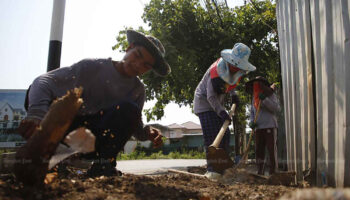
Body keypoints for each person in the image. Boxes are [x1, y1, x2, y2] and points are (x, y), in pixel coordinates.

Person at [17, 30, 171, 177]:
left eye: (146, 65)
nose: (138, 65)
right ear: (129, 47)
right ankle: (49, 153)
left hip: (94, 140)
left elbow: (133, 126)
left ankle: (103, 165)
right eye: (137, 56)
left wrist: (146, 133)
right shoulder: (92, 67)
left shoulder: (137, 90)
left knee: (130, 109)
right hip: (65, 130)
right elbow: (42, 82)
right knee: (51, 101)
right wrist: (36, 114)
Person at [193, 43, 256, 179]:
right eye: (235, 65)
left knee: (225, 134)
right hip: (204, 105)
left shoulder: (236, 70)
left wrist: (233, 94)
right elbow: (210, 96)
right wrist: (222, 112)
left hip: (216, 105)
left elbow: (231, 82)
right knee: (212, 136)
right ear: (230, 61)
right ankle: (212, 170)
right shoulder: (214, 71)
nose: (236, 68)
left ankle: (222, 169)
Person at [245, 76, 280, 175]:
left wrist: (265, 100)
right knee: (259, 150)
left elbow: (276, 109)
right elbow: (252, 112)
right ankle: (260, 171)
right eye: (255, 84)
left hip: (269, 126)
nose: (256, 86)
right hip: (258, 128)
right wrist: (251, 122)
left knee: (271, 150)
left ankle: (274, 172)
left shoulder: (271, 95)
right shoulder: (254, 97)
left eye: (258, 84)